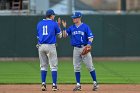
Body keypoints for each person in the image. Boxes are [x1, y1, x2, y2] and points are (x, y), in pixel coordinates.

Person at [62, 12, 99, 91]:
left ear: (79, 18)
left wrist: (88, 44)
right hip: (75, 49)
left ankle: (95, 83)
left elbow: (91, 37)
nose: (73, 19)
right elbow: (64, 35)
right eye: (73, 18)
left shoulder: (85, 27)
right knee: (76, 67)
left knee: (90, 66)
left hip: (84, 47)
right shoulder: (71, 27)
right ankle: (78, 84)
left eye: (75, 18)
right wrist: (64, 27)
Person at [36, 9, 62, 91]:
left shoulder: (39, 23)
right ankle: (54, 86)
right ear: (51, 15)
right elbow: (60, 36)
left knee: (43, 66)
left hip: (41, 46)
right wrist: (58, 26)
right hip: (50, 46)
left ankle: (43, 84)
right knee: (53, 66)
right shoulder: (54, 23)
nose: (54, 16)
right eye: (54, 15)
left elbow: (38, 36)